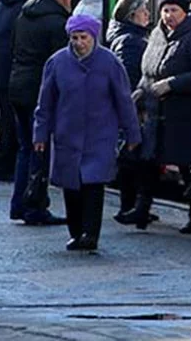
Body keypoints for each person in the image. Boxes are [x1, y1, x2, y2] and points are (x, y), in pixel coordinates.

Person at [32, 14, 141, 252]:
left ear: (93, 37)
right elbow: (45, 102)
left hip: (99, 135)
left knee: (93, 184)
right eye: (75, 38)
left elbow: (124, 100)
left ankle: (90, 234)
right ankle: (76, 232)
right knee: (71, 186)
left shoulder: (109, 62)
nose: (79, 43)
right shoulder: (57, 62)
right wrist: (40, 134)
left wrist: (132, 133)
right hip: (67, 134)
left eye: (84, 37)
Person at [122, 0, 191, 232]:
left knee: (188, 166)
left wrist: (173, 83)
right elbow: (148, 70)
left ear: (185, 12)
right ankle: (142, 208)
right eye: (165, 10)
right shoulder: (157, 35)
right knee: (148, 161)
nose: (168, 15)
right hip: (155, 113)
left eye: (174, 10)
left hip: (184, 114)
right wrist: (140, 92)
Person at [7, 0, 75, 226]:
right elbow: (61, 64)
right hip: (39, 90)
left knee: (26, 148)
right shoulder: (57, 23)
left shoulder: (24, 14)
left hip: (18, 86)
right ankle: (35, 206)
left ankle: (20, 204)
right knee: (40, 150)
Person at [0, 0, 44, 182]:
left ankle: (2, 165)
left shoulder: (3, 4)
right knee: (13, 123)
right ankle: (5, 167)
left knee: (7, 120)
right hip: (12, 72)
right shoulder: (25, 8)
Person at [107, 0, 152, 224]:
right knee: (133, 157)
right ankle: (130, 206)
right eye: (144, 11)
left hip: (130, 107)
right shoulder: (130, 41)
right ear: (132, 15)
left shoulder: (129, 37)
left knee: (133, 157)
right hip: (133, 108)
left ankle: (133, 206)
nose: (148, 15)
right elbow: (129, 76)